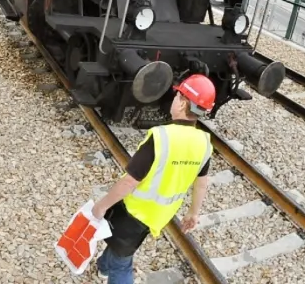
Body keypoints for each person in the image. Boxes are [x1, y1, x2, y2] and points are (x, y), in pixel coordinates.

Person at [90, 74, 215, 283]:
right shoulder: (204, 142)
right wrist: (193, 213)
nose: (174, 99)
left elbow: (130, 181)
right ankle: (103, 266)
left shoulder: (161, 136)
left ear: (183, 102)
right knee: (121, 246)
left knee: (123, 263)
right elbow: (201, 182)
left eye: (177, 95)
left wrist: (102, 206)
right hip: (160, 214)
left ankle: (110, 269)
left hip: (135, 212)